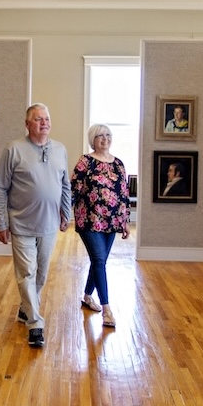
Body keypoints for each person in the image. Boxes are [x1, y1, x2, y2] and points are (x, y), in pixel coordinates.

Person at [0, 103, 71, 348]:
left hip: (49, 223)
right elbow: (0, 188)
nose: (44, 123)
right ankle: (35, 324)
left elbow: (65, 184)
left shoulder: (59, 150)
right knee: (26, 272)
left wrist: (66, 212)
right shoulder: (13, 149)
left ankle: (26, 309)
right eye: (38, 119)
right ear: (27, 125)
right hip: (21, 223)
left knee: (42, 273)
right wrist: (0, 222)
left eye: (47, 118)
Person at [71, 124, 130, 328]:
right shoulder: (85, 162)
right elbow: (74, 189)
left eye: (108, 135)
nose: (105, 139)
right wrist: (62, 215)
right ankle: (107, 310)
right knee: (98, 259)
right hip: (88, 219)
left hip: (111, 221)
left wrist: (125, 220)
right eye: (100, 136)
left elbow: (124, 194)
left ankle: (87, 296)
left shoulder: (119, 164)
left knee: (100, 261)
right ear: (92, 140)